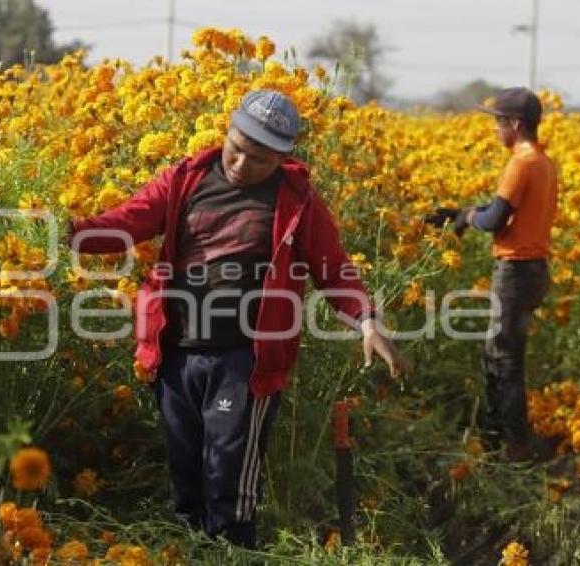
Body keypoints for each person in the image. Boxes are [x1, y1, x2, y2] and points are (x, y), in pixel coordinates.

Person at [69, 89, 405, 547]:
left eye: (260, 160)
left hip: (244, 360)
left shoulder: (297, 200)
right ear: (226, 132)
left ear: (283, 159)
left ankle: (233, 552)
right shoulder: (184, 179)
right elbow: (125, 223)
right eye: (237, 149)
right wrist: (59, 232)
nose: (242, 165)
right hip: (177, 355)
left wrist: (366, 320)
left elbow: (333, 269)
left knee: (229, 480)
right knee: (186, 475)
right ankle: (190, 552)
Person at [425, 87, 558, 461]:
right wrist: (461, 211)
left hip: (516, 271)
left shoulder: (521, 162)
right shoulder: (544, 162)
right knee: (502, 354)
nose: (495, 130)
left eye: (498, 123)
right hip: (534, 270)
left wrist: (469, 217)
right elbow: (505, 210)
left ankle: (512, 448)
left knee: (503, 359)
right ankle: (499, 439)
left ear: (515, 124)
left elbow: (494, 219)